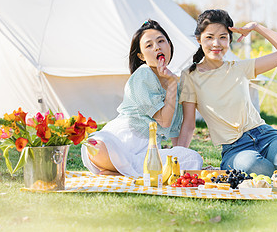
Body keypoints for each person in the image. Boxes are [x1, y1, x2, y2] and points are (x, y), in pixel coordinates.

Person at [178, 9, 277, 177]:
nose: (216, 43)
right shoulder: (190, 76)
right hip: (235, 149)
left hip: (264, 136)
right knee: (256, 167)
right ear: (199, 39)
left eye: (223, 37)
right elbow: (189, 124)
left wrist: (256, 27)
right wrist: (180, 158)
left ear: (230, 40)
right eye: (209, 37)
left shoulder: (239, 68)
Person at [81, 20, 203, 177]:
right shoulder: (143, 74)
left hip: (148, 151)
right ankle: (130, 169)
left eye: (161, 41)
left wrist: (178, 156)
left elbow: (175, 132)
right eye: (149, 45)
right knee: (97, 144)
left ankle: (122, 171)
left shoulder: (177, 85)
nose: (157, 47)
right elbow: (164, 121)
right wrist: (172, 85)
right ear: (141, 56)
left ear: (169, 46)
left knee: (193, 159)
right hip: (119, 142)